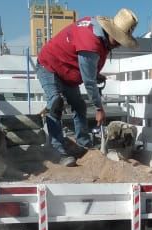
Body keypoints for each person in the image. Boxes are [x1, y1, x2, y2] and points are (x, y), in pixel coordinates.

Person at [36, 8, 139, 167]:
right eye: (118, 39)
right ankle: (58, 152)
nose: (119, 44)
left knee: (79, 106)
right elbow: (88, 81)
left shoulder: (101, 37)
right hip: (50, 66)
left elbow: (86, 64)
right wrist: (99, 108)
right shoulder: (91, 41)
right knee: (56, 103)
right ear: (110, 30)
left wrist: (95, 73)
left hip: (68, 71)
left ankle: (83, 144)